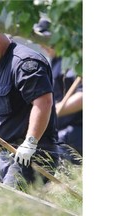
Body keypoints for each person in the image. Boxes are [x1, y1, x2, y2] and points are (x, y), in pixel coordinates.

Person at [0, 26, 62, 190]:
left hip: (29, 156)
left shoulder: (24, 62)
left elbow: (43, 103)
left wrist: (30, 142)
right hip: (4, 155)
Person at [33, 18, 83, 163]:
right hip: (61, 129)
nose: (42, 46)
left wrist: (54, 109)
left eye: (44, 40)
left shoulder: (73, 60)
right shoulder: (52, 61)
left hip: (76, 130)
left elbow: (84, 96)